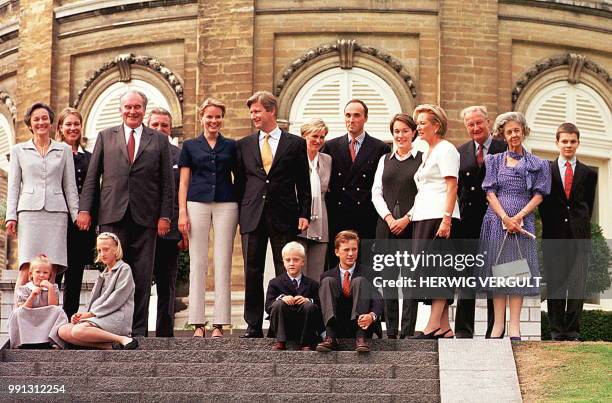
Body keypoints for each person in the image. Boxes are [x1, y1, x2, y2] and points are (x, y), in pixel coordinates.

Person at [76, 90, 174, 337]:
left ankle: (137, 330)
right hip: (112, 214)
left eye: (138, 107)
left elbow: (167, 183)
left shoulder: (159, 140)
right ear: (121, 109)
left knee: (141, 275)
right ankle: (108, 324)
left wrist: (165, 216)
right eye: (128, 107)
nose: (133, 111)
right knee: (112, 273)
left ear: (144, 109)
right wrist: (85, 209)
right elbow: (92, 177)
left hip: (147, 217)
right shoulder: (105, 136)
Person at [235, 91, 311, 338]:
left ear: (271, 111)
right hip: (252, 215)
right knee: (252, 271)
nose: (253, 116)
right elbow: (240, 184)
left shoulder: (295, 143)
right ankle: (253, 324)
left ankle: (282, 324)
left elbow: (303, 182)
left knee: (285, 269)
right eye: (251, 112)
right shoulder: (244, 145)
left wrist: (304, 213)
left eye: (257, 111)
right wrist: (240, 213)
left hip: (285, 214)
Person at [477, 111, 550, 340]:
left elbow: (539, 195)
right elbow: (489, 193)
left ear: (524, 131)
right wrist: (505, 219)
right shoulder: (493, 160)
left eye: (517, 130)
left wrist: (518, 218)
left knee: (516, 273)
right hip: (496, 222)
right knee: (499, 273)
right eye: (509, 131)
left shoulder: (538, 163)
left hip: (522, 221)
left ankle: (515, 327)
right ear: (503, 135)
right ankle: (498, 326)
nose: (513, 134)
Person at [178, 98, 238, 338]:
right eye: (209, 116)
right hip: (196, 202)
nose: (214, 121)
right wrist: (182, 211)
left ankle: (220, 323)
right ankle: (197, 322)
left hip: (226, 203)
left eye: (218, 117)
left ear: (222, 119)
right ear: (201, 117)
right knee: (198, 261)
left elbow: (240, 177)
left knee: (223, 261)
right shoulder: (190, 146)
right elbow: (183, 181)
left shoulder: (232, 146)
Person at [5, 103, 79, 287]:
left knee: (51, 269)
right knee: (26, 268)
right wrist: (10, 217)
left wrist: (76, 216)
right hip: (29, 214)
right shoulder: (18, 150)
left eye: (44, 118)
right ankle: (19, 314)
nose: (41, 122)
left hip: (56, 214)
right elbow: (13, 186)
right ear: (30, 124)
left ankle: (48, 314)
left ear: (51, 122)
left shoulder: (64, 150)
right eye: (36, 119)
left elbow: (70, 187)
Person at [539, 123, 597, 341]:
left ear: (578, 143)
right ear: (557, 142)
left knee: (576, 285)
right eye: (564, 141)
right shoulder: (547, 170)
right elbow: (542, 203)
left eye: (573, 141)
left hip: (579, 237)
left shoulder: (589, 174)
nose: (568, 145)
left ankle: (572, 332)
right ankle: (556, 331)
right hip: (554, 235)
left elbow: (587, 206)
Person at [454, 106, 506, 338]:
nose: (475, 128)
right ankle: (463, 331)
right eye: (470, 124)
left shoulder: (504, 148)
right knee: (466, 276)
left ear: (488, 122)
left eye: (479, 123)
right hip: (468, 223)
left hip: (497, 220)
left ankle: (496, 331)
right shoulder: (460, 152)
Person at [408, 104, 460, 339]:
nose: (418, 127)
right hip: (424, 215)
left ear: (436, 125)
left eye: (422, 123)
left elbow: (452, 186)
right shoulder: (428, 151)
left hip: (439, 216)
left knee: (438, 270)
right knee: (430, 269)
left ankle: (432, 326)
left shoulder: (446, 149)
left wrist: (446, 220)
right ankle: (445, 326)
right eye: (417, 123)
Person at [371, 113, 422, 338]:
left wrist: (407, 218)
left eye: (404, 131)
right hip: (387, 227)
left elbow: (425, 193)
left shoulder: (422, 159)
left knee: (410, 280)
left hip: (412, 228)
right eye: (396, 131)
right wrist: (389, 218)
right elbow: (376, 193)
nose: (400, 135)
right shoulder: (384, 160)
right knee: (390, 280)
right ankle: (391, 331)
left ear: (413, 133)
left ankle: (407, 332)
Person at [323, 99, 390, 267]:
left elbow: (382, 186)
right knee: (337, 266)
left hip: (365, 216)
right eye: (347, 115)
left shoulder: (379, 148)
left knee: (365, 267)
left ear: (365, 118)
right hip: (338, 216)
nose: (351, 120)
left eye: (356, 115)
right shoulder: (331, 146)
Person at [58, 232, 138, 350]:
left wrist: (91, 314)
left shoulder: (124, 269)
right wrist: (81, 315)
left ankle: (123, 339)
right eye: (99, 250)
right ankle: (109, 346)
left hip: (116, 318)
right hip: (99, 317)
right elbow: (92, 302)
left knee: (78, 330)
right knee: (63, 330)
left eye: (106, 249)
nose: (102, 254)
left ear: (116, 249)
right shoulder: (103, 274)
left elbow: (116, 300)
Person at [53, 107, 97, 319]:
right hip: (57, 221)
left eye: (76, 124)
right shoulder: (53, 154)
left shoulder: (90, 157)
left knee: (75, 273)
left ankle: (68, 320)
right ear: (60, 128)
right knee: (53, 274)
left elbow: (94, 188)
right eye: (68, 124)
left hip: (82, 224)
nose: (73, 128)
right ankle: (49, 322)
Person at [147, 107, 186, 337]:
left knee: (167, 283)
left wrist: (183, 230)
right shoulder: (140, 151)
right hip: (142, 229)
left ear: (171, 129)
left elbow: (184, 193)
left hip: (170, 230)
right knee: (138, 282)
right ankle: (137, 330)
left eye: (164, 125)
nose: (160, 129)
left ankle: (164, 334)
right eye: (155, 125)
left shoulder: (179, 155)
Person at [316, 231, 384, 352]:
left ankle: (361, 338)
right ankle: (330, 337)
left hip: (362, 326)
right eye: (346, 250)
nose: (351, 253)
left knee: (359, 281)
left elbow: (378, 299)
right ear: (337, 252)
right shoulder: (326, 275)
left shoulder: (370, 272)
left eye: (354, 249)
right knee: (328, 281)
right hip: (337, 325)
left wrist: (372, 316)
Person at [265, 242, 322, 351]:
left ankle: (306, 342)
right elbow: (268, 306)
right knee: (278, 304)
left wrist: (307, 300)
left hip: (304, 326)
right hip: (284, 325)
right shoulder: (275, 282)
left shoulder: (312, 284)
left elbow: (320, 306)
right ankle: (280, 341)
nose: (291, 263)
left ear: (302, 262)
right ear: (283, 262)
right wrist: (281, 298)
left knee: (309, 306)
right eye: (288, 260)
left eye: (296, 260)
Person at [8, 254, 68, 349]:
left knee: (59, 311)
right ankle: (18, 343)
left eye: (45, 272)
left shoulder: (53, 288)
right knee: (17, 313)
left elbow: (53, 305)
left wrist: (50, 288)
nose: (41, 275)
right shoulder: (24, 288)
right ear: (31, 274)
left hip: (46, 317)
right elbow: (24, 308)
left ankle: (54, 341)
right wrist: (32, 296)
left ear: (49, 275)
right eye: (38, 272)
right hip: (30, 316)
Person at [297, 119, 332, 281]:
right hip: (299, 220)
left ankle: (316, 306)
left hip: (321, 220)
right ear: (304, 136)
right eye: (314, 136)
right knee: (299, 271)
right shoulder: (294, 158)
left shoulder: (327, 160)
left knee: (317, 274)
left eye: (322, 137)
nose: (318, 141)